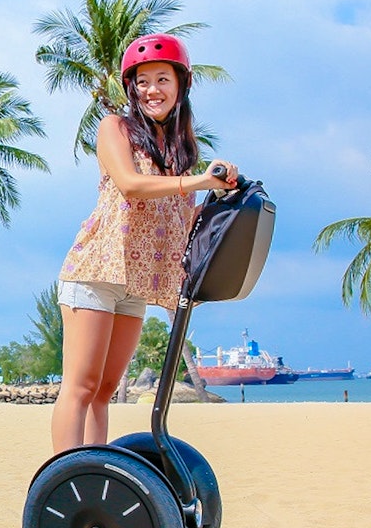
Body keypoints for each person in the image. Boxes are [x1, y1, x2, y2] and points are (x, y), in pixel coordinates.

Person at [50, 34, 239, 453]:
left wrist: (221, 189)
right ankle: (62, 476)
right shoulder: (114, 127)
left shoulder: (178, 149)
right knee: (80, 387)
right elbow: (131, 185)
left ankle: (94, 468)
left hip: (133, 283)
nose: (152, 90)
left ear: (181, 85)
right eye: (142, 82)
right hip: (96, 271)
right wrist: (199, 179)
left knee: (104, 391)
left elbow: (183, 216)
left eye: (161, 79)